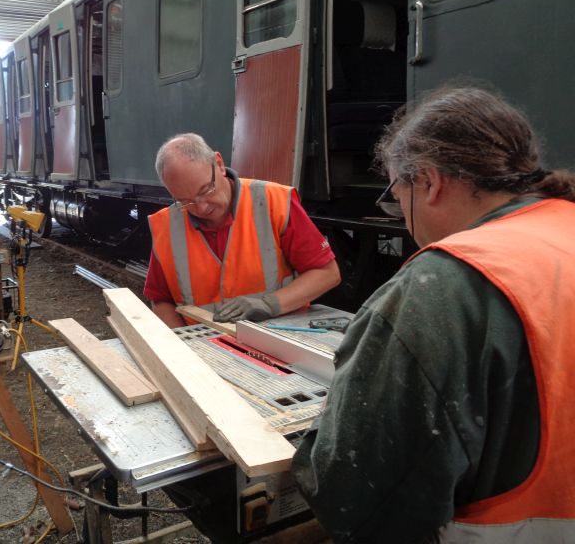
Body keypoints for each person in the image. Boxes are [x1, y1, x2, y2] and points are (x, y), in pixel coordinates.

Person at [292, 85, 575, 542]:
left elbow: (355, 495)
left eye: (397, 194)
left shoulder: (446, 285)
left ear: (429, 181)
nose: (403, 217)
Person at [144, 133, 341, 328]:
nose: (202, 207)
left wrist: (269, 304)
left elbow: (327, 273)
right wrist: (183, 344)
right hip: (205, 348)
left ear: (219, 164)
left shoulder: (274, 202)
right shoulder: (167, 226)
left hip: (278, 339)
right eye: (186, 201)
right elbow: (161, 300)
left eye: (206, 190)